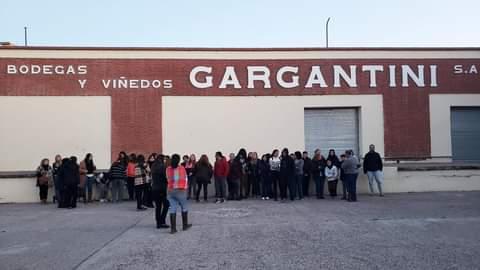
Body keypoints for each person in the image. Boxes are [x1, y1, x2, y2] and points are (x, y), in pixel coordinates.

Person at [166, 154, 192, 234]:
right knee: (184, 207)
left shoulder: (168, 169)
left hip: (171, 190)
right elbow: (185, 179)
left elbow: (167, 178)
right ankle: (185, 225)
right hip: (181, 190)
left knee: (172, 208)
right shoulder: (181, 168)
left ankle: (173, 229)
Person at [151, 154, 169, 229]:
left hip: (155, 188)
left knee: (158, 206)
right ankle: (162, 221)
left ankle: (158, 222)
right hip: (161, 188)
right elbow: (166, 178)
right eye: (164, 159)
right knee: (166, 205)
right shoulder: (162, 167)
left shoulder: (153, 166)